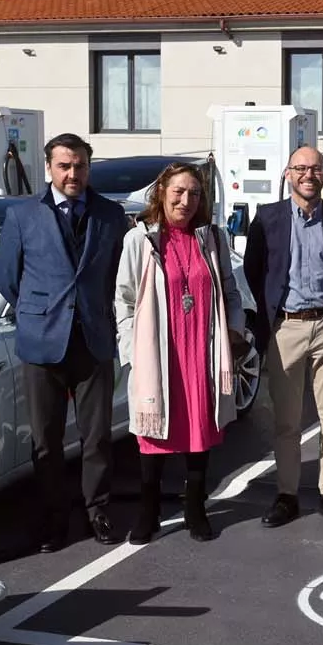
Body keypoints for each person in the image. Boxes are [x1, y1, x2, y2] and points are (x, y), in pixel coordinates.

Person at [0, 133, 127, 553]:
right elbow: (7, 278)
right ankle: (54, 518)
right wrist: (40, 312)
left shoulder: (110, 215)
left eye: (81, 166)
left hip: (93, 339)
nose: (73, 174)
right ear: (49, 168)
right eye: (65, 166)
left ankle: (98, 510)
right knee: (46, 440)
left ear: (89, 167)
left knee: (97, 436)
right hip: (42, 341)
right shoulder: (23, 215)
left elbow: (116, 277)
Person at [115, 163, 246, 545]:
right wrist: (132, 352)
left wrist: (234, 332)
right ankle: (148, 512)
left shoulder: (212, 238)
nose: (186, 201)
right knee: (153, 436)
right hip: (158, 353)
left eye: (194, 193)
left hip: (200, 352)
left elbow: (232, 293)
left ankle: (195, 508)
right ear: (161, 193)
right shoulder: (140, 240)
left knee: (198, 431)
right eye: (178, 192)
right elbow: (123, 300)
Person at [243, 145, 323, 529]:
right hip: (287, 328)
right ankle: (287, 495)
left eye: (315, 168)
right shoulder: (267, 219)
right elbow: (254, 273)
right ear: (287, 173)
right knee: (287, 421)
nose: (308, 175)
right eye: (300, 168)